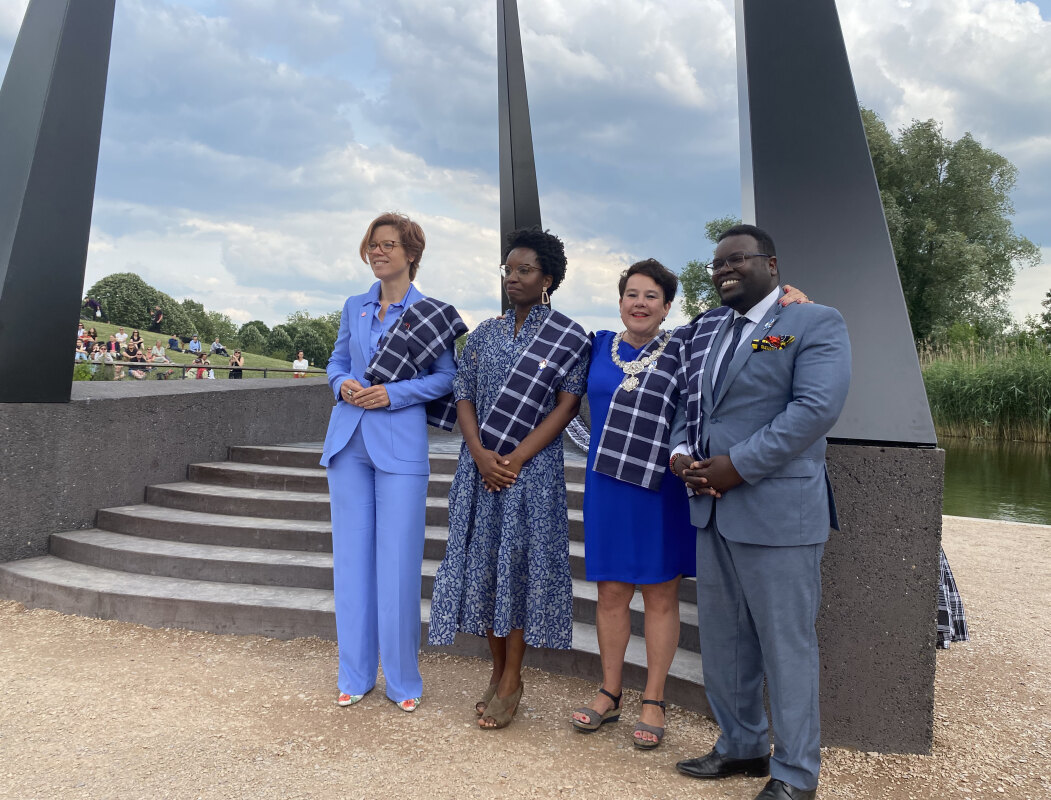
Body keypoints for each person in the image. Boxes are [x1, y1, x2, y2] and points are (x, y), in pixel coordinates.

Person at [572, 261, 810, 749]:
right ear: (619, 302)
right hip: (606, 488)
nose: (640, 303)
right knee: (611, 594)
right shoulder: (594, 345)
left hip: (661, 487)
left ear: (667, 307)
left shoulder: (686, 344)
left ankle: (654, 700)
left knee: (660, 595)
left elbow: (755, 332)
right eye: (631, 294)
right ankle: (609, 692)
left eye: (651, 296)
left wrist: (788, 298)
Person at [670, 225, 851, 800]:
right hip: (712, 510)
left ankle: (796, 774)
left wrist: (736, 466)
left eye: (736, 259)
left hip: (778, 512)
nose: (723, 269)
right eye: (716, 263)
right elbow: (691, 405)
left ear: (770, 264)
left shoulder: (814, 323)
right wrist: (681, 454)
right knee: (725, 642)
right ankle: (742, 746)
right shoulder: (712, 331)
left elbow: (814, 410)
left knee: (785, 644)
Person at [427, 227, 590, 730]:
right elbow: (464, 395)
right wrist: (478, 452)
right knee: (484, 568)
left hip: (531, 475)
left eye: (524, 270)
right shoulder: (483, 334)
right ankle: (497, 671)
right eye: (508, 269)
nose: (512, 278)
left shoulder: (569, 336)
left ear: (549, 278)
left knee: (516, 572)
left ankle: (513, 678)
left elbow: (567, 406)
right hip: (479, 472)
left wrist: (515, 459)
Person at [320, 211, 459, 714]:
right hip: (348, 445)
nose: (379, 251)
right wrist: (342, 383)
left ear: (411, 253)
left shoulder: (433, 314)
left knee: (399, 566)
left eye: (389, 244)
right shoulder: (354, 306)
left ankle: (403, 680)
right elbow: (336, 362)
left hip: (399, 448)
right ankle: (354, 675)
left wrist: (393, 394)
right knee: (352, 566)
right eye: (373, 244)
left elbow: (447, 378)